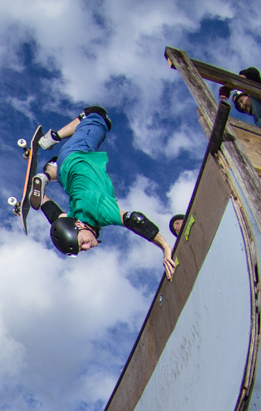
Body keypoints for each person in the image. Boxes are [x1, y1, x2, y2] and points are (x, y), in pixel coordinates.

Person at [31, 107, 176, 281]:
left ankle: (52, 143)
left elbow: (135, 220)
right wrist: (42, 199)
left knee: (99, 115)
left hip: (77, 154)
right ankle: (48, 172)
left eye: (82, 243)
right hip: (65, 171)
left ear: (79, 226)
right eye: (82, 249)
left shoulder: (100, 213)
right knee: (64, 165)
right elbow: (57, 218)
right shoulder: (73, 217)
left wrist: (165, 247)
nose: (87, 247)